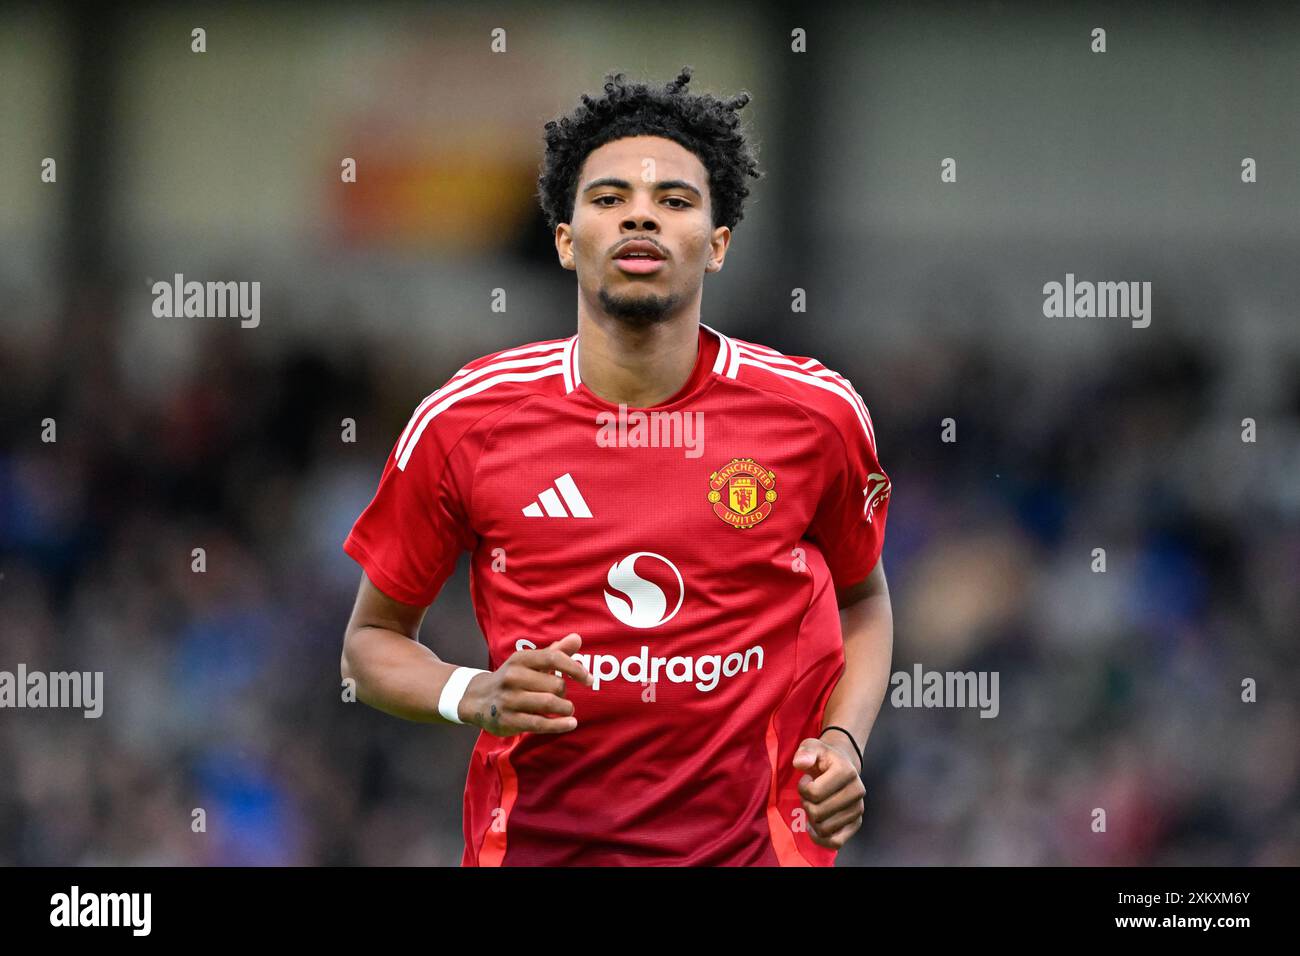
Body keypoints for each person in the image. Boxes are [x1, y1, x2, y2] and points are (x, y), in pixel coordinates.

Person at [340, 67, 894, 866]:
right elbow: (370, 643)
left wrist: (843, 741)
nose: (640, 213)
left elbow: (863, 599)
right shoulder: (466, 419)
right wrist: (473, 693)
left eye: (675, 201)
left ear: (718, 243)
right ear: (567, 241)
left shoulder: (816, 414)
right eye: (608, 200)